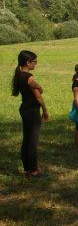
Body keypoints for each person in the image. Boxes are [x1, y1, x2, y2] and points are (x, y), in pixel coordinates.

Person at [11, 50, 49, 178]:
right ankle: (34, 170)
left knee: (26, 139)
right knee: (33, 141)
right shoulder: (29, 77)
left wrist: (39, 87)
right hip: (32, 111)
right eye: (34, 62)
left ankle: (27, 169)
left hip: (24, 109)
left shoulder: (19, 75)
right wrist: (45, 111)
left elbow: (39, 90)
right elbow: (38, 96)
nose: (36, 64)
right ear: (28, 62)